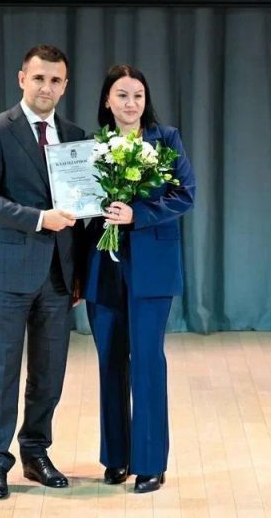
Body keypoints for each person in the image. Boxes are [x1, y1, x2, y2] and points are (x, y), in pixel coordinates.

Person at [0, 45, 87, 500]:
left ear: (65, 86)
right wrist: (39, 219)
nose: (45, 87)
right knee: (1, 374)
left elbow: (81, 210)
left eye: (55, 80)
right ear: (22, 79)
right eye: (38, 78)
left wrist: (80, 272)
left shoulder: (75, 136)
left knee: (48, 375)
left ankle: (36, 454)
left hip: (58, 277)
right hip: (8, 274)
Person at [83, 64, 195, 493]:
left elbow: (185, 194)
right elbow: (79, 209)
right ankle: (116, 457)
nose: (131, 103)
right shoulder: (93, 146)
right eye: (122, 95)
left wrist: (137, 214)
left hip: (152, 267)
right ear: (107, 100)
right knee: (110, 360)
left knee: (147, 360)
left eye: (138, 96)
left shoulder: (165, 140)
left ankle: (150, 462)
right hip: (102, 266)